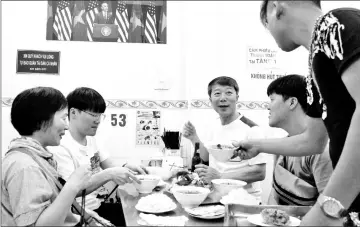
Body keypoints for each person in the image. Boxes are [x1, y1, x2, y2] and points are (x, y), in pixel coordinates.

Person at [234, 1, 360, 225]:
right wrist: (258, 146)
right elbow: (311, 142)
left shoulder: (336, 25)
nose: (269, 32)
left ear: (276, 7)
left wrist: (327, 208)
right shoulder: (315, 64)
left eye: (266, 22)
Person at [48, 87, 148, 227]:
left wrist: (126, 168)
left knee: (141, 216)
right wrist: (109, 174)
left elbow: (110, 166)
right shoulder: (60, 146)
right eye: (93, 114)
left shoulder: (92, 139)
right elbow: (71, 192)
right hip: (79, 213)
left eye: (100, 115)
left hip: (98, 206)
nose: (98, 120)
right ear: (74, 112)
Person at [1, 87, 91, 226]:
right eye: (63, 118)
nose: (67, 126)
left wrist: (80, 216)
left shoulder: (34, 156)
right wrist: (72, 185)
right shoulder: (25, 166)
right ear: (43, 119)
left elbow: (49, 208)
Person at [183, 76, 269, 204]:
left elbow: (259, 172)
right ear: (210, 100)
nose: (223, 98)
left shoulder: (252, 129)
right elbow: (206, 157)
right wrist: (194, 138)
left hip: (244, 202)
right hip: (217, 198)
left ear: (237, 98)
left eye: (228, 92)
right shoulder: (212, 126)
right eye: (217, 93)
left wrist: (220, 177)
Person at [264, 74, 333, 206]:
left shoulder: (322, 150)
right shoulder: (281, 148)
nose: (268, 106)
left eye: (272, 99)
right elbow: (275, 196)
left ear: (292, 102)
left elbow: (331, 207)